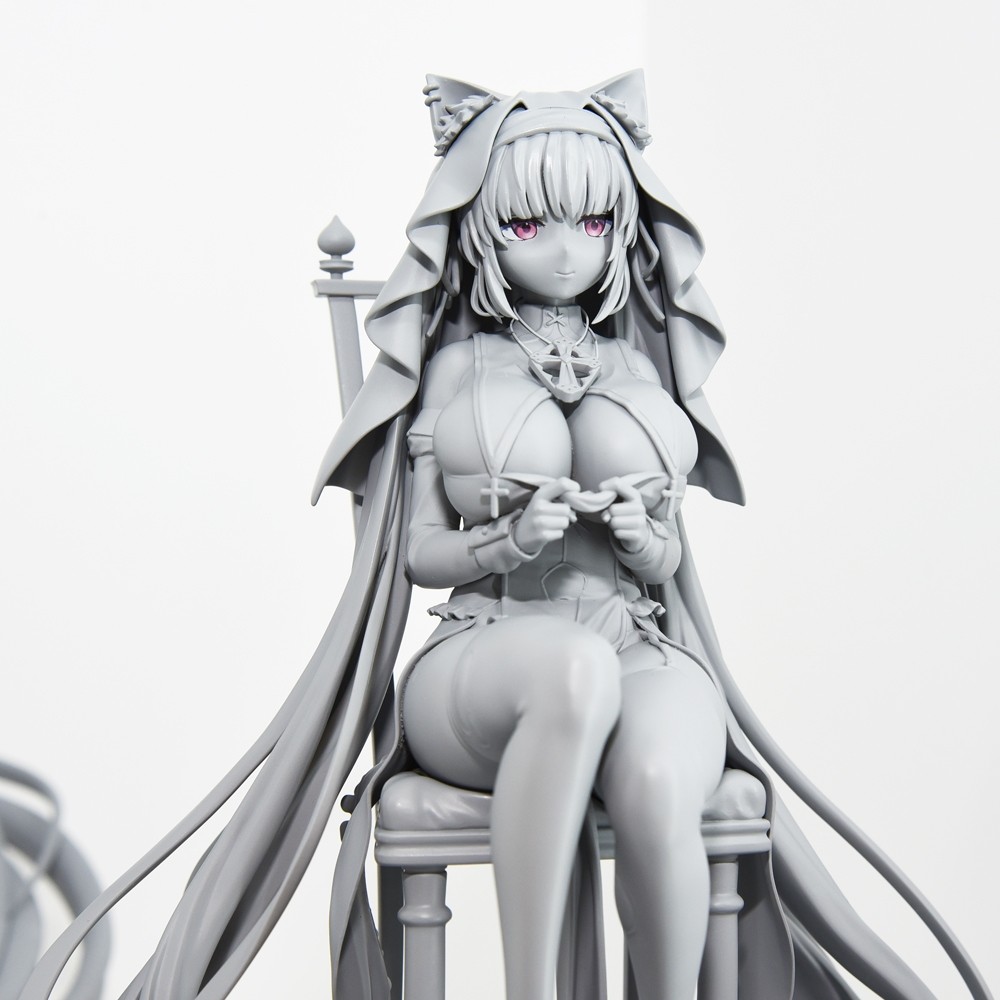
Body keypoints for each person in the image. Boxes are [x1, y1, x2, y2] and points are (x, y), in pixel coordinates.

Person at [23, 71, 993, 1000]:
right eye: (531, 223)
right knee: (573, 669)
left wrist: (641, 538)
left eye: (594, 221)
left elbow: (665, 557)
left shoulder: (641, 369)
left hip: (634, 639)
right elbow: (417, 553)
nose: (566, 251)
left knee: (661, 769)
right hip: (487, 646)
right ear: (484, 229)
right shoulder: (457, 371)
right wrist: (504, 542)